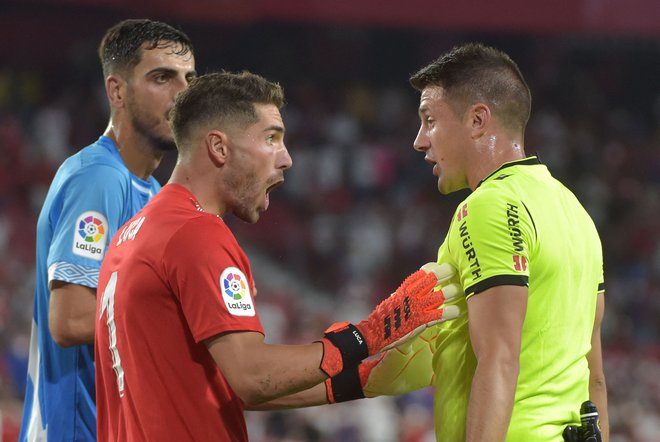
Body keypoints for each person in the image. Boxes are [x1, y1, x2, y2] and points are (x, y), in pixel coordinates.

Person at [94, 71, 460, 441]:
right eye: (271, 139)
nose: (286, 158)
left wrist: (363, 379)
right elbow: (252, 376)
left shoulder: (132, 235)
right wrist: (368, 335)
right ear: (219, 148)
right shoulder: (196, 232)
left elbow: (226, 385)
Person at [345, 42, 608, 441]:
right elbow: (596, 378)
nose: (419, 140)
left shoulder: (489, 205)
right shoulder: (576, 213)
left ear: (477, 120)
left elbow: (499, 359)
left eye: (429, 120)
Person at [20, 19, 196, 441]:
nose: (183, 94)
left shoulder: (152, 192)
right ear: (117, 91)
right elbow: (70, 320)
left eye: (189, 79)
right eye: (162, 78)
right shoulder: (98, 178)